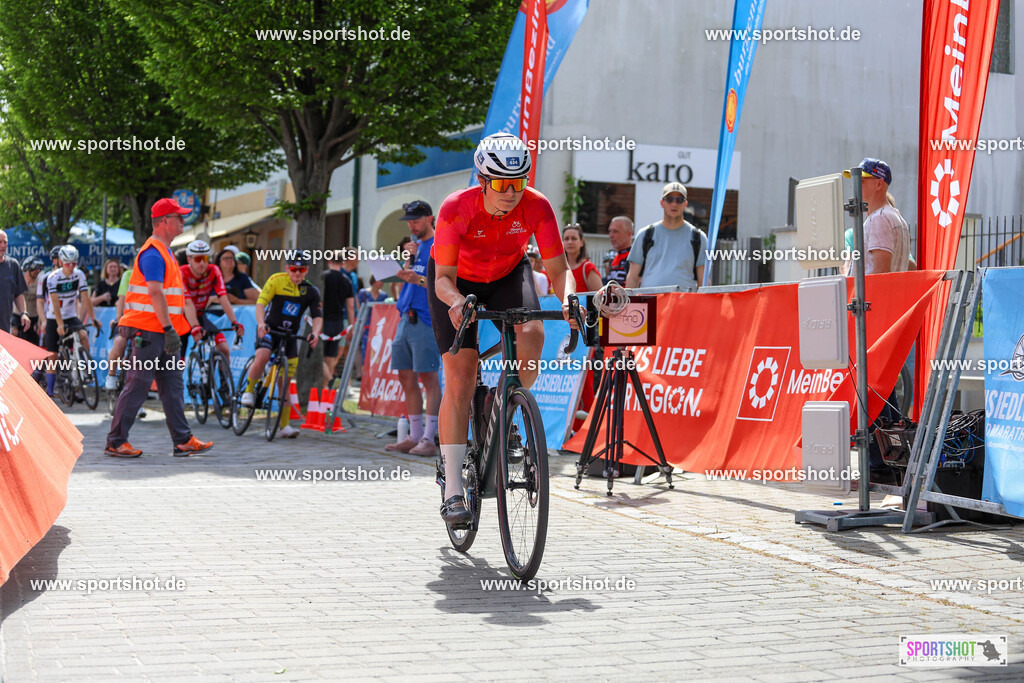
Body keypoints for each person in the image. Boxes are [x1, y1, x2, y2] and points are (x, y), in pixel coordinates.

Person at [429, 132, 576, 525]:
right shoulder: (456, 208)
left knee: (532, 334)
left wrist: (568, 301)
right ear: (482, 180)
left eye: (520, 183)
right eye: (502, 185)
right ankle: (454, 488)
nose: (512, 193)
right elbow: (443, 277)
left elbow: (559, 270)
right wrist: (456, 302)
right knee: (460, 378)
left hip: (508, 273)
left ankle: (502, 404)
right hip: (457, 282)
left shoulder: (537, 206)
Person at [105, 198, 212, 458]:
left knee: (173, 385)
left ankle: (183, 439)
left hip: (162, 334)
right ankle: (116, 441)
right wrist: (169, 329)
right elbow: (154, 292)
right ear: (164, 221)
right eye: (178, 217)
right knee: (138, 384)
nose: (183, 222)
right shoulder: (153, 252)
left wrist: (171, 331)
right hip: (150, 332)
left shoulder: (164, 252)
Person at [240, 258, 323, 439]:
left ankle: (284, 426)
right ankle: (249, 391)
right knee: (262, 356)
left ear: (307, 270)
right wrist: (261, 323)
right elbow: (261, 303)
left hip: (290, 336)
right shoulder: (276, 280)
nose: (297, 273)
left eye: (301, 270)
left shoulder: (311, 291)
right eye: (293, 269)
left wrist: (315, 333)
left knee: (285, 382)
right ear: (287, 268)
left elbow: (317, 315)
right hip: (270, 329)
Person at [386, 200, 442, 457]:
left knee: (428, 378)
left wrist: (417, 279)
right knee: (405, 377)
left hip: (427, 319)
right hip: (405, 317)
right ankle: (414, 435)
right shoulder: (415, 247)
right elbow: (409, 277)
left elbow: (445, 283)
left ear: (429, 219)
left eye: (416, 220)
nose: (411, 225)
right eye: (409, 221)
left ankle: (430, 438)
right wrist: (406, 262)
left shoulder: (440, 245)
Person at [625, 182, 708, 292]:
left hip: (685, 305)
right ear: (662, 203)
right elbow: (632, 277)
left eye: (679, 200)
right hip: (651, 304)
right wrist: (630, 306)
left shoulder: (699, 237)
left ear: (685, 204)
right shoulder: (645, 234)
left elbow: (704, 282)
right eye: (669, 199)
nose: (674, 204)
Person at [42, 245, 100, 397]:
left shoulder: (79, 274)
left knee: (83, 335)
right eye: (68, 264)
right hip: (54, 317)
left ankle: (85, 370)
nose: (71, 267)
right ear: (61, 261)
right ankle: (50, 391)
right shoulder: (52, 278)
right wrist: (60, 324)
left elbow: (85, 297)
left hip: (70, 315)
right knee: (52, 355)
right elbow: (54, 302)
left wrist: (93, 318)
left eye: (74, 263)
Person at [179, 240, 244, 363]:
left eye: (205, 258)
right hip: (181, 317)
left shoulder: (213, 270)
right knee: (178, 361)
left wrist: (234, 321)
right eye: (198, 259)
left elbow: (223, 298)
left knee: (223, 349)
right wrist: (194, 326)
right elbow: (187, 302)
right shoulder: (181, 272)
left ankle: (224, 381)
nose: (202, 263)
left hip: (199, 316)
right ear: (189, 260)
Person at [321, 256, 355, 389]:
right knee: (331, 356)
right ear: (342, 263)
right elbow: (350, 306)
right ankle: (326, 389)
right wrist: (351, 326)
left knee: (319, 355)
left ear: (329, 261)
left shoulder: (323, 277)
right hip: (339, 321)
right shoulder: (346, 280)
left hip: (323, 320)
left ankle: (328, 380)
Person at [0, 230, 29, 335]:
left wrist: (23, 313)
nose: (3, 245)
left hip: (4, 328)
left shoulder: (13, 265)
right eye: (0, 242)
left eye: (5, 242)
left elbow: (18, 293)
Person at [562, 223, 603, 292]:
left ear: (582, 242)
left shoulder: (587, 268)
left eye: (574, 238)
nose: (570, 242)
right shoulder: (559, 268)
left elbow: (600, 298)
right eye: (566, 239)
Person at [356, 275, 388, 361]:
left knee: (377, 350)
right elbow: (358, 308)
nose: (382, 283)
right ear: (374, 282)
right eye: (380, 280)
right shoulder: (363, 293)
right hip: (365, 326)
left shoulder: (384, 295)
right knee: (365, 350)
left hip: (378, 327)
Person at [18, 256, 43, 347]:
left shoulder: (39, 283)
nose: (37, 272)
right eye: (35, 270)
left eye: (39, 270)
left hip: (33, 315)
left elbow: (41, 302)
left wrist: (40, 321)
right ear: (28, 270)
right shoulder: (19, 280)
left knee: (33, 342)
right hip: (18, 313)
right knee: (14, 332)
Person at [604, 216, 634, 285]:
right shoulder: (612, 258)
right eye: (610, 231)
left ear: (629, 234)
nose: (611, 235)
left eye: (615, 231)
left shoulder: (635, 257)